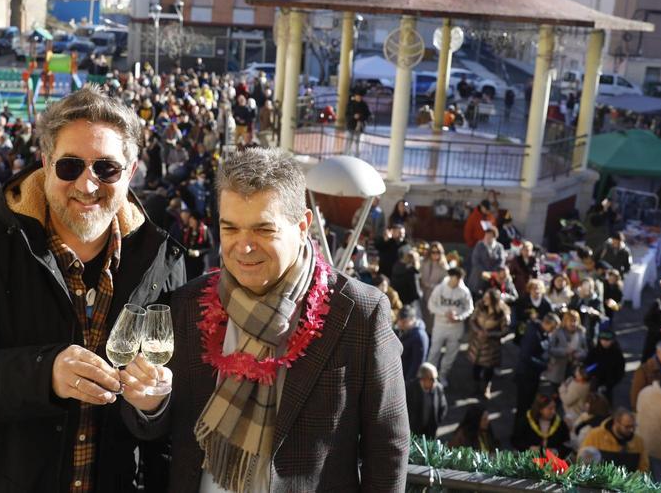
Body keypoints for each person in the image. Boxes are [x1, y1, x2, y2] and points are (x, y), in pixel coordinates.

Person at [0, 86, 186, 491]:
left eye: (106, 168)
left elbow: (175, 410)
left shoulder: (162, 258)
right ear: (46, 162)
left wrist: (153, 406)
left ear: (132, 170)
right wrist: (44, 375)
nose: (87, 186)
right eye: (70, 166)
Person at [121, 147, 407, 491]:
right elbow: (167, 430)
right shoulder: (188, 303)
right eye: (231, 229)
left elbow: (387, 449)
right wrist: (151, 405)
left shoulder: (359, 314)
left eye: (263, 230)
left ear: (302, 226)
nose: (243, 247)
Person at [426, 265, 474, 379]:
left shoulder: (464, 291)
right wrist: (444, 313)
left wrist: (460, 317)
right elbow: (431, 305)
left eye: (460, 279)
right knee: (434, 352)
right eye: (457, 278)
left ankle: (443, 375)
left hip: (456, 327)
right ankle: (428, 377)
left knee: (451, 354)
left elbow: (470, 308)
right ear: (451, 277)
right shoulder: (440, 288)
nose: (459, 281)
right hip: (440, 326)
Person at [466, 287, 510, 397]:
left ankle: (486, 387)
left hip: (491, 346)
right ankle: (476, 386)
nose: (484, 300)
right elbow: (472, 320)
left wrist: (490, 334)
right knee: (476, 366)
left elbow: (505, 330)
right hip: (477, 343)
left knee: (489, 368)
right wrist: (478, 331)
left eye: (487, 298)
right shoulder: (480, 306)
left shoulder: (502, 312)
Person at [579, 408, 649, 473]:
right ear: (616, 423)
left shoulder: (638, 441)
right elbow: (582, 459)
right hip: (600, 482)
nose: (631, 430)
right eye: (627, 427)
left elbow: (644, 467)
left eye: (633, 426)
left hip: (628, 484)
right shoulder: (595, 436)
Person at [406, 363, 447, 440]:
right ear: (423, 378)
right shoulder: (410, 388)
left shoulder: (438, 388)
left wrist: (437, 421)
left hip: (430, 431)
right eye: (432, 379)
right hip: (414, 430)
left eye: (435, 378)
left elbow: (443, 406)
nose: (435, 382)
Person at [468, 226, 505, 295]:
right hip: (479, 275)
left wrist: (492, 273)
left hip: (493, 276)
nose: (488, 237)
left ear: (494, 237)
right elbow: (475, 260)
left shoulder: (499, 247)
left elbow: (501, 261)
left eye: (490, 236)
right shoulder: (480, 245)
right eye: (486, 235)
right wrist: (484, 271)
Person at [396, 305, 429, 382]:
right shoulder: (404, 330)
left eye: (404, 322)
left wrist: (407, 383)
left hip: (407, 379)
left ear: (413, 319)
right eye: (399, 321)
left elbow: (417, 364)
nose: (400, 325)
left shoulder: (419, 336)